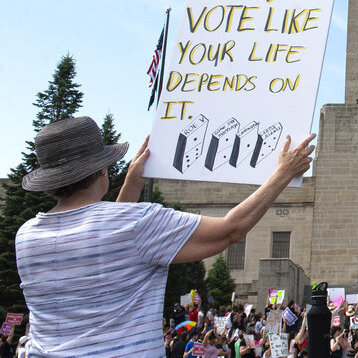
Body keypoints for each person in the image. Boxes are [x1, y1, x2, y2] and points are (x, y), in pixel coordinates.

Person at [15, 115, 315, 358]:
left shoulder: (26, 235)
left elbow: (106, 246)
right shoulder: (137, 222)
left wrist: (131, 185)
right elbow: (230, 230)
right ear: (102, 169)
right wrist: (283, 174)